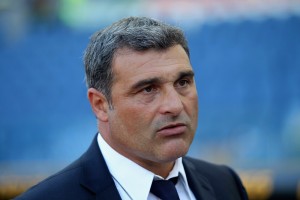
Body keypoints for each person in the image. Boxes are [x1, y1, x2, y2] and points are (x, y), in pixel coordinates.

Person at [16, 16, 248, 200]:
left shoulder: (225, 184)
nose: (175, 105)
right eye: (148, 89)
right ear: (100, 105)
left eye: (183, 83)